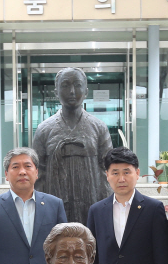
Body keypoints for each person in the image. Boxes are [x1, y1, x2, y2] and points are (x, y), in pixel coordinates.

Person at [33, 67, 112, 225]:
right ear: (56, 92)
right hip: (55, 204)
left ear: (86, 91)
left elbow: (108, 171)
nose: (71, 91)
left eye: (77, 85)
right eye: (65, 85)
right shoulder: (44, 129)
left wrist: (106, 205)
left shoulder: (99, 127)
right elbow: (37, 173)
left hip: (91, 203)